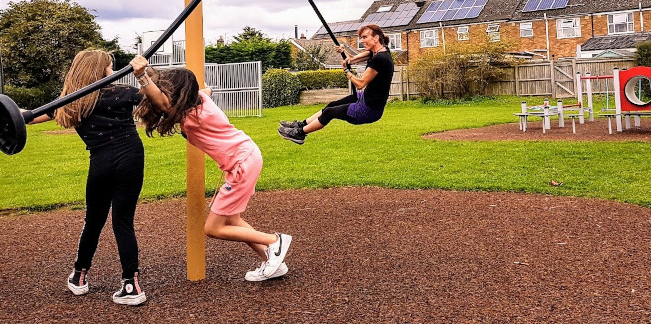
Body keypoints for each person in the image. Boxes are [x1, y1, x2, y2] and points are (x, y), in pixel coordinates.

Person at [132, 58, 292, 282]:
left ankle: (275, 241)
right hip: (245, 157)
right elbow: (206, 89)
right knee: (233, 220)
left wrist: (141, 76)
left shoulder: (192, 115)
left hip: (241, 162)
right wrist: (149, 70)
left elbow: (163, 103)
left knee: (213, 228)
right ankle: (273, 261)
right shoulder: (201, 100)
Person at [29, 49, 149, 305]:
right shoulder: (125, 93)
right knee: (123, 221)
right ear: (100, 70)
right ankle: (131, 285)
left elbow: (29, 117)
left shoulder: (71, 101)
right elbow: (159, 101)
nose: (113, 71)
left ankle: (79, 276)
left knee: (93, 221)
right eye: (110, 67)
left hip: (101, 163)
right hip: (131, 158)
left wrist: (2, 112)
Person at [277, 24, 394, 144]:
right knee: (332, 105)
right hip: (364, 99)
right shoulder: (376, 52)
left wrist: (346, 71)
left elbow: (360, 84)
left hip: (368, 110)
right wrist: (343, 51)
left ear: (376, 38)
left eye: (365, 37)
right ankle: (301, 124)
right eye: (361, 38)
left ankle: (299, 134)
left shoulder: (380, 59)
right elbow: (350, 60)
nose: (362, 41)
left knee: (329, 112)